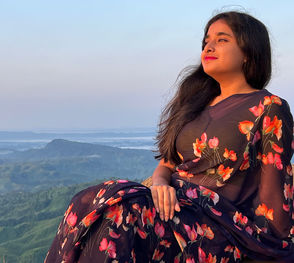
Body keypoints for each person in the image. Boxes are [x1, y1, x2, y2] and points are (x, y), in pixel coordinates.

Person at [44, 10, 294, 262]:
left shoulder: (268, 107)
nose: (209, 46)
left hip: (218, 225)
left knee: (121, 208)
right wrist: (161, 184)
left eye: (222, 39)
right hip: (173, 206)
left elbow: (275, 187)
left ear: (248, 52)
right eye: (206, 40)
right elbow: (168, 163)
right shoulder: (195, 102)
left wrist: (271, 247)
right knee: (89, 201)